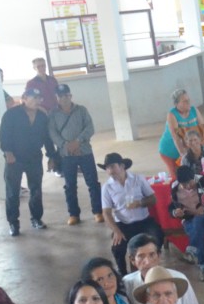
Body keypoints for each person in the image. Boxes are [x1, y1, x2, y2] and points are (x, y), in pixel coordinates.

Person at [46, 85, 101, 226]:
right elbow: (52, 133)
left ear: (70, 96)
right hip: (66, 154)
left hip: (85, 151)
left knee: (93, 182)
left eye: (66, 95)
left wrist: (78, 142)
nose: (64, 99)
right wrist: (66, 145)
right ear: (57, 98)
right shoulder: (53, 114)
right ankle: (74, 214)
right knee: (70, 185)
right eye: (60, 96)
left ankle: (98, 211)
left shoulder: (81, 110)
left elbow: (90, 128)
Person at [100, 154, 156, 276]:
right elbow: (106, 213)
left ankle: (151, 270)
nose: (109, 171)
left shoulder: (138, 179)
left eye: (112, 167)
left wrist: (140, 203)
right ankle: (123, 275)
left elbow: (153, 199)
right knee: (117, 248)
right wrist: (116, 231)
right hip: (123, 224)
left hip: (143, 220)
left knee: (156, 239)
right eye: (107, 168)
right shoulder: (107, 187)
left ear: (122, 166)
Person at [166, 166, 204, 281]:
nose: (188, 186)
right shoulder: (174, 188)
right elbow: (170, 208)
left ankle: (199, 260)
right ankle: (201, 264)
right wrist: (175, 212)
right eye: (184, 184)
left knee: (198, 221)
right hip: (189, 221)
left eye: (190, 183)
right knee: (197, 229)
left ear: (194, 178)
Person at [157, 88, 204, 180]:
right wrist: (183, 154)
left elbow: (203, 130)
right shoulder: (172, 114)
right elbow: (175, 137)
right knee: (178, 178)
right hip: (170, 150)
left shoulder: (194, 110)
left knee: (194, 175)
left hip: (189, 147)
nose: (188, 102)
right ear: (176, 104)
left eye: (188, 100)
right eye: (184, 101)